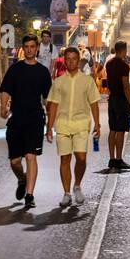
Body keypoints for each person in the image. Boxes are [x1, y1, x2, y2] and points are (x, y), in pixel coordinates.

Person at [0, 34, 52, 208]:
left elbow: (47, 98)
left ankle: (30, 195)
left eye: (32, 46)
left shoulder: (43, 72)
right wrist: (3, 107)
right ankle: (22, 179)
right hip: (16, 120)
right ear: (23, 48)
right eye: (26, 46)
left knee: (31, 156)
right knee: (15, 161)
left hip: (35, 119)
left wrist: (50, 119)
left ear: (37, 48)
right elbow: (5, 89)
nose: (29, 50)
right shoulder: (15, 69)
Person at [45, 46, 101, 207]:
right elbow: (53, 105)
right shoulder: (59, 82)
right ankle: (67, 193)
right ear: (65, 61)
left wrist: (97, 124)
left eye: (74, 59)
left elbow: (94, 103)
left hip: (81, 123)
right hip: (63, 124)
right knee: (64, 159)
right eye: (68, 59)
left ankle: (77, 185)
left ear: (79, 60)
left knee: (81, 158)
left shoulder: (87, 81)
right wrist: (49, 127)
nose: (71, 62)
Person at [103, 40, 130, 172]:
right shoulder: (124, 66)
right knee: (121, 131)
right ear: (124, 50)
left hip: (112, 99)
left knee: (112, 130)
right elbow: (126, 86)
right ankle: (118, 159)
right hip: (121, 100)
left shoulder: (109, 64)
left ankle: (111, 159)